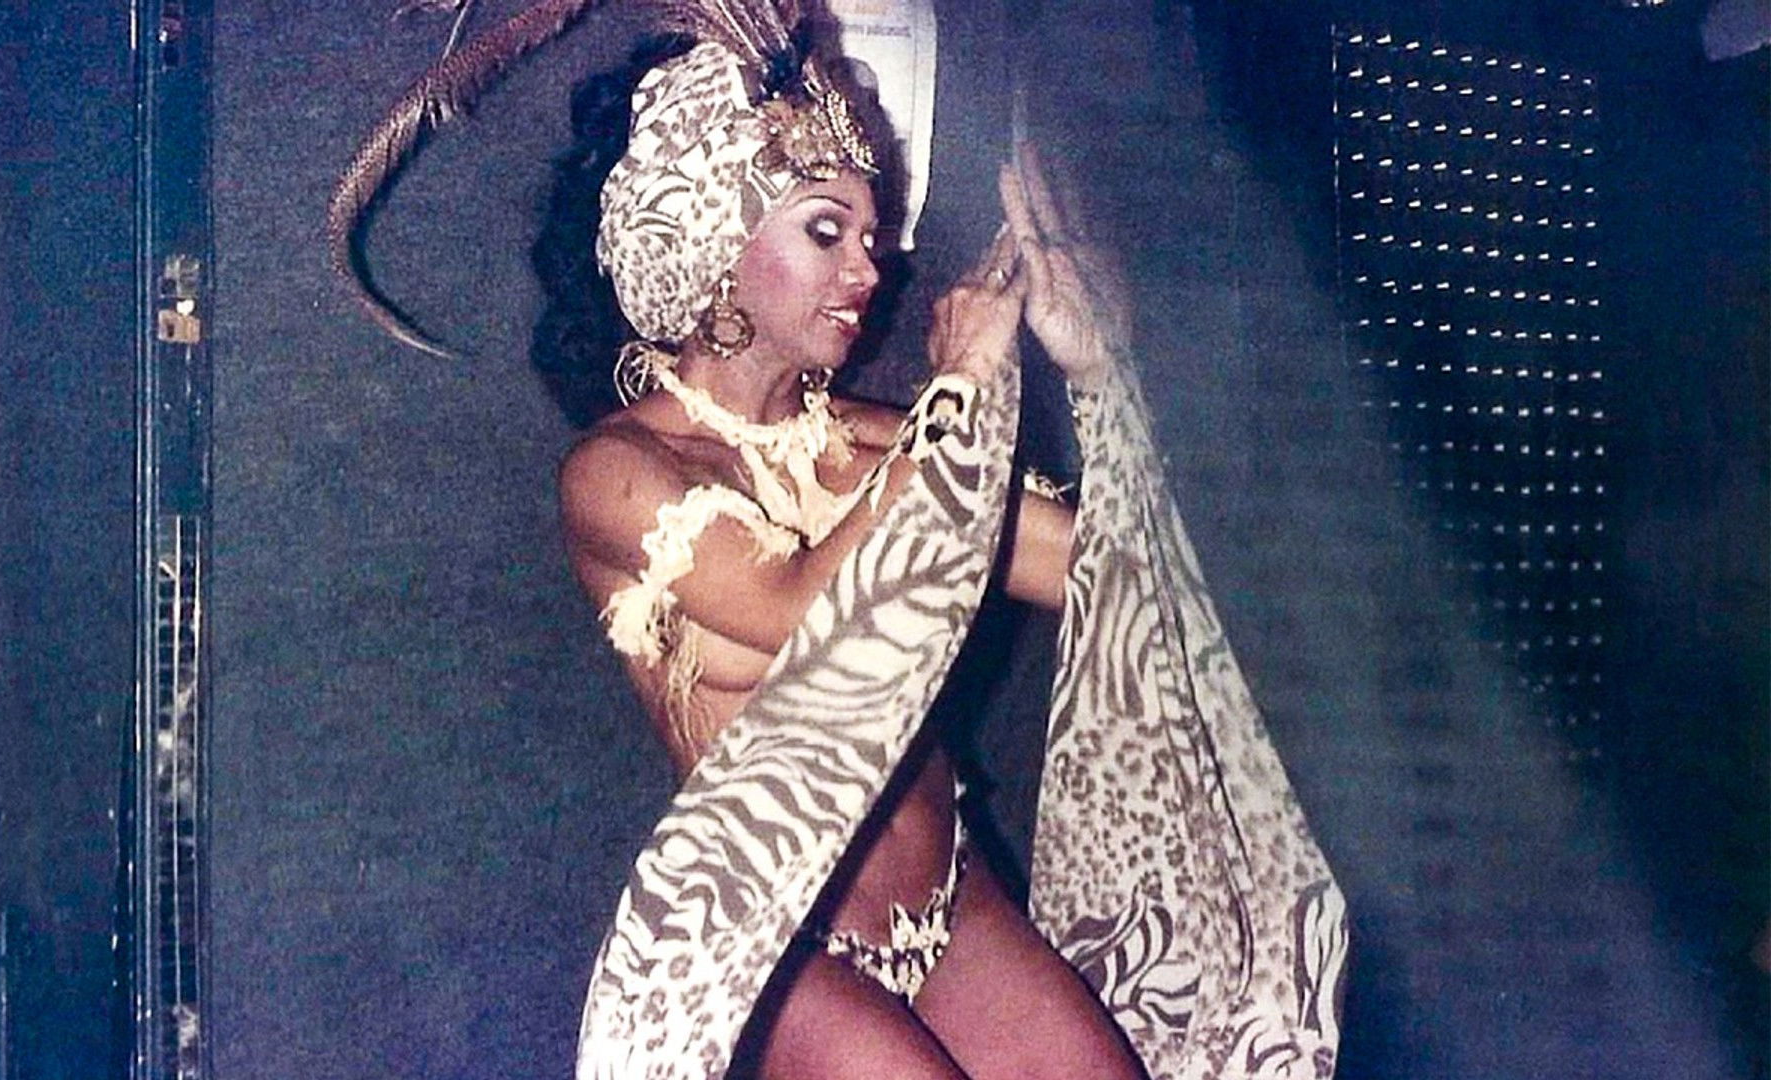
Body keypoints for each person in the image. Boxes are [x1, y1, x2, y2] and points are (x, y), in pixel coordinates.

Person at [329, 5, 1347, 1079]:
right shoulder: (616, 472)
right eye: (826, 231)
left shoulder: (876, 442)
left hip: (949, 906)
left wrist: (1100, 375)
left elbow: (1110, 567)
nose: (868, 270)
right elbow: (799, 607)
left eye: (870, 236)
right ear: (714, 239)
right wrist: (957, 394)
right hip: (778, 950)